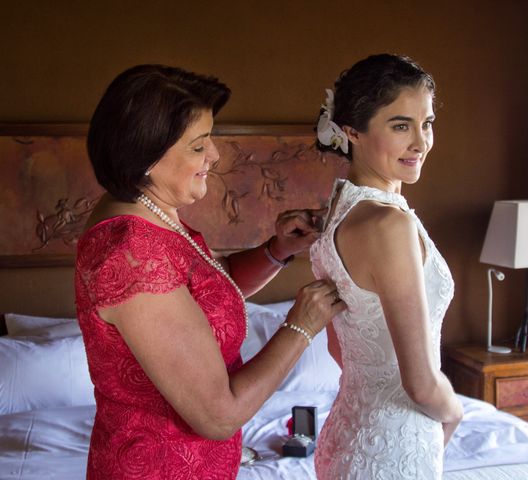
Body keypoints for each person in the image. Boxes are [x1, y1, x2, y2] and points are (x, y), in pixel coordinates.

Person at [75, 64, 345, 479]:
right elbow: (220, 416)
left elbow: (205, 294)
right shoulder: (132, 253)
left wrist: (277, 250)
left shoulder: (152, 214)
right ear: (147, 156)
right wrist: (301, 325)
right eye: (199, 146)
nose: (215, 155)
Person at [310, 54, 463, 479]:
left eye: (426, 123)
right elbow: (421, 384)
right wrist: (454, 412)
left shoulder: (338, 212)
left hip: (346, 436)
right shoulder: (388, 225)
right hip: (392, 450)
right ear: (352, 131)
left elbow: (341, 350)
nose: (421, 142)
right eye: (401, 126)